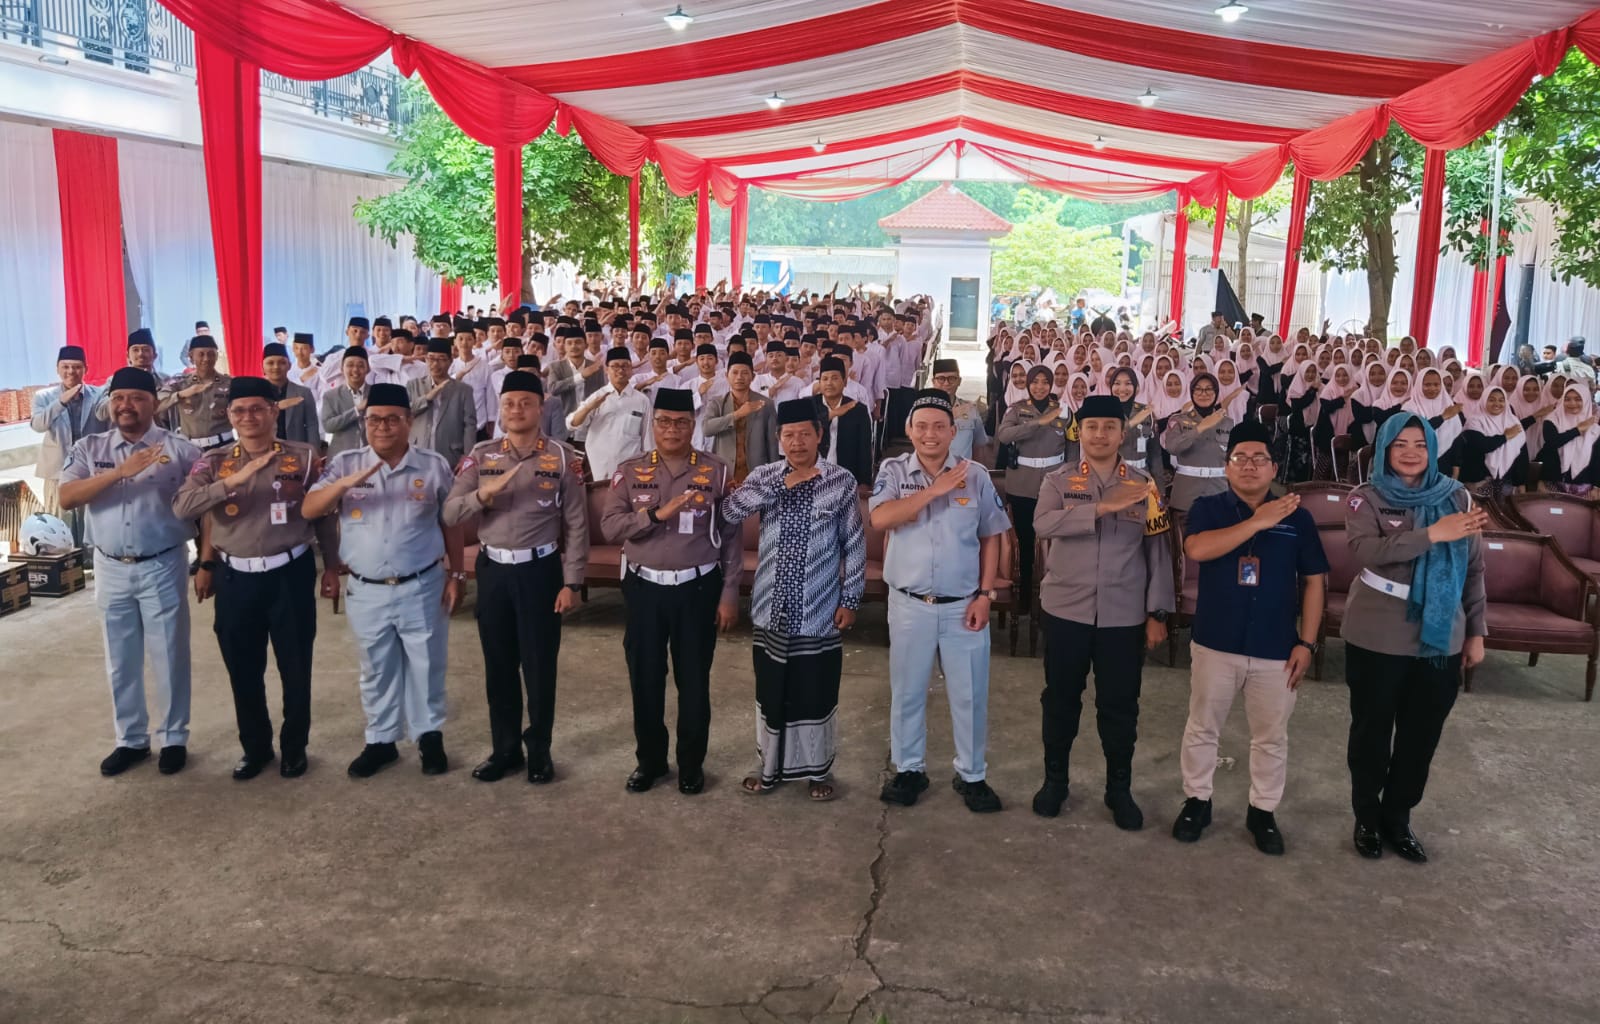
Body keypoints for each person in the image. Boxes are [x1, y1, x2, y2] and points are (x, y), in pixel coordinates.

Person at [1172, 422, 1328, 854]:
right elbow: (1198, 550)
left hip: (1277, 648)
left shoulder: (1298, 516)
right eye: (1240, 458)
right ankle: (1197, 800)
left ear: (1273, 467)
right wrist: (1258, 522)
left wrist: (1307, 643)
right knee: (1203, 727)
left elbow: (1314, 582)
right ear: (1226, 466)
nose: (1249, 466)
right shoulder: (1209, 507)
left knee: (1271, 735)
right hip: (1215, 642)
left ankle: (1263, 810)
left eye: (1260, 458)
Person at [172, 377, 337, 780]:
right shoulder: (213, 462)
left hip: (291, 574)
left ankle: (295, 748)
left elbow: (324, 515)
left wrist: (332, 566)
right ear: (229, 416)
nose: (248, 417)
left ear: (274, 412)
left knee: (295, 667)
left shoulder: (304, 456)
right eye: (239, 410)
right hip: (235, 579)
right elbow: (183, 507)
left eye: (257, 408)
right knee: (243, 669)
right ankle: (256, 748)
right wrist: (232, 482)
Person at [1342, 414, 1488, 862]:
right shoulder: (1365, 498)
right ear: (1384, 449)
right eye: (1400, 444)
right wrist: (1430, 535)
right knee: (1371, 732)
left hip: (1441, 635)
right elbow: (1365, 552)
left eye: (1419, 444)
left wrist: (1477, 631)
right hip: (1377, 631)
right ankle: (1367, 817)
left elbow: (1474, 568)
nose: (1410, 452)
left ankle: (1398, 818)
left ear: (1431, 449)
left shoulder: (1457, 497)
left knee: (1421, 735)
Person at [303, 383, 464, 778]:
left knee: (427, 664)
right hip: (367, 588)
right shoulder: (344, 463)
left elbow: (452, 522)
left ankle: (429, 737)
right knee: (376, 667)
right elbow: (309, 508)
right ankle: (381, 740)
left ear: (410, 422)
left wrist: (456, 573)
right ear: (364, 422)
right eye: (375, 419)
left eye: (393, 419)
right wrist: (343, 485)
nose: (384, 427)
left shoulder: (433, 465)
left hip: (422, 583)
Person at [1029, 395, 1173, 828]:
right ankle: (1055, 781)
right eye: (1091, 427)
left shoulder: (1145, 484)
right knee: (1060, 700)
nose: (1100, 434)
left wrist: (1158, 613)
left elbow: (1158, 551)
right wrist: (1102, 508)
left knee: (1119, 705)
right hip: (1066, 611)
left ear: (1122, 433)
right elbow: (1042, 524)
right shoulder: (1058, 480)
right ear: (1079, 432)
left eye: (1110, 427)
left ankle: (1119, 789)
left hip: (1123, 615)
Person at [443, 371, 587, 784]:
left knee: (540, 666)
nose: (516, 410)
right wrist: (481, 496)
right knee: (499, 664)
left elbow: (577, 525)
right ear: (500, 409)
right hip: (494, 573)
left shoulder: (562, 457)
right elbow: (450, 513)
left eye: (525, 402)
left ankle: (539, 750)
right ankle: (504, 749)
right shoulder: (482, 455)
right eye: (509, 403)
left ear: (541, 407)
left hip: (541, 572)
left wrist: (572, 581)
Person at [870, 389, 1011, 813]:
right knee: (908, 691)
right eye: (921, 426)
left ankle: (972, 774)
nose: (930, 434)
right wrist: (934, 491)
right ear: (909, 431)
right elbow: (880, 518)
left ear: (954, 431)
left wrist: (986, 595)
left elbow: (990, 538)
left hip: (962, 604)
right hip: (910, 603)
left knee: (969, 694)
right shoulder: (894, 470)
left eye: (939, 426)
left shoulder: (977, 475)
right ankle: (909, 768)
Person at [57, 368, 201, 776]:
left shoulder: (181, 451)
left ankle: (173, 737)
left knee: (169, 653)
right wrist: (120, 472)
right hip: (110, 566)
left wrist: (207, 561)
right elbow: (67, 497)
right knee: (120, 657)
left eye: (136, 398)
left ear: (153, 403)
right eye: (118, 397)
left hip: (162, 561)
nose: (125, 405)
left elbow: (205, 508)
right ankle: (131, 739)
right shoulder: (90, 448)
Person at [723, 399, 867, 800]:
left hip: (819, 609)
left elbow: (853, 545)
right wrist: (777, 486)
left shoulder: (841, 481)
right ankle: (768, 768)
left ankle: (818, 772)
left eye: (806, 433)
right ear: (778, 438)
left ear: (821, 435)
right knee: (771, 690)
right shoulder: (765, 476)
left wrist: (851, 600)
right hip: (771, 608)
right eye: (789, 435)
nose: (797, 442)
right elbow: (730, 512)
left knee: (815, 690)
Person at [600, 388, 742, 795]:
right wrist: (655, 515)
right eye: (663, 420)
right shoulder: (629, 471)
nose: (672, 429)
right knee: (645, 679)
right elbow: (611, 527)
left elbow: (730, 536)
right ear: (653, 423)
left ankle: (691, 765)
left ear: (693, 425)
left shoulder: (716, 470)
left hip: (698, 588)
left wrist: (729, 592)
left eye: (681, 422)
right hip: (644, 589)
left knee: (694, 681)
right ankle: (650, 762)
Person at [995, 365, 1069, 605]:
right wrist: (1038, 423)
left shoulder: (1064, 412)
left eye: (1045, 382)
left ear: (1051, 385)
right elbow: (1004, 436)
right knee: (1025, 541)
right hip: (1022, 485)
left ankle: (1051, 594)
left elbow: (1074, 449)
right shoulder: (1017, 410)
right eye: (1035, 382)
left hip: (1054, 485)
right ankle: (1025, 592)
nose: (1040, 387)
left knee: (1054, 542)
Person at [29, 344, 103, 550]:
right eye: (66, 367)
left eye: (77, 367)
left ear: (86, 369)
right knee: (60, 520)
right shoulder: (44, 397)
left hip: (88, 468)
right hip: (57, 469)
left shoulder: (97, 395)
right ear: (57, 369)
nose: (71, 371)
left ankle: (90, 560)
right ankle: (66, 563)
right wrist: (61, 402)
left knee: (90, 518)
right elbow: (37, 425)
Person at [568, 346, 653, 481]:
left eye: (625, 366)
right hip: (600, 468)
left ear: (631, 370)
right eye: (615, 366)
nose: (620, 370)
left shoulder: (642, 400)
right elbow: (572, 423)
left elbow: (647, 439)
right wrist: (590, 407)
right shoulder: (597, 397)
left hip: (631, 469)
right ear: (606, 369)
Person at [1162, 372, 1236, 512]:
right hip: (1186, 496)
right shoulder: (1177, 420)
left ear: (1216, 392)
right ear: (1191, 392)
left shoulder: (1228, 423)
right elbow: (1172, 447)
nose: (1204, 393)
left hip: (1218, 492)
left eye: (1209, 389)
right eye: (1198, 389)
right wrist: (1201, 427)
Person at [703, 351, 776, 484]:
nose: (739, 377)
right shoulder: (717, 403)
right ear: (727, 376)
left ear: (753, 377)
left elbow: (772, 443)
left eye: (745, 373)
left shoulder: (766, 404)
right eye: (735, 372)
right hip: (726, 473)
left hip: (757, 473)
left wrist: (774, 475)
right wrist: (737, 414)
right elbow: (707, 429)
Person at [407, 338, 479, 471]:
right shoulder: (413, 385)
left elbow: (470, 425)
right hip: (418, 451)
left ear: (450, 361)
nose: (435, 364)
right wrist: (428, 397)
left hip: (450, 454)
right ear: (426, 360)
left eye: (441, 359)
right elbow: (407, 413)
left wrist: (467, 456)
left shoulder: (463, 390)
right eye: (431, 358)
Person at [158, 336, 234, 448]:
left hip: (225, 445)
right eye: (201, 354)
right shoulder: (180, 383)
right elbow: (156, 405)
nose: (206, 358)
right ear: (191, 357)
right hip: (190, 447)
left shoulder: (230, 383)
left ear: (217, 356)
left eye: (211, 354)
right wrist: (181, 394)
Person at [813, 355, 873, 486]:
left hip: (846, 476)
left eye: (835, 378)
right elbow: (808, 428)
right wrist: (833, 414)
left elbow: (864, 448)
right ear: (819, 383)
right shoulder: (809, 406)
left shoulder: (857, 409)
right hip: (814, 476)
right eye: (825, 379)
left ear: (845, 382)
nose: (829, 383)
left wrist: (864, 482)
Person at [261, 342, 320, 448]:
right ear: (262, 366)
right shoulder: (256, 395)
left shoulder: (303, 392)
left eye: (282, 362)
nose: (276, 367)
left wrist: (314, 451)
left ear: (289, 365)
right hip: (264, 450)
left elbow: (312, 425)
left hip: (296, 450)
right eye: (270, 363)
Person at [931, 359, 989, 461]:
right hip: (933, 474)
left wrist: (978, 473)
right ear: (933, 381)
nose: (946, 383)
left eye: (952, 378)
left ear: (959, 381)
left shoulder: (970, 410)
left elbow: (978, 447)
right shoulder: (922, 410)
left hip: (963, 473)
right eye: (941, 379)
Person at [321, 346, 371, 457]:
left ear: (368, 369)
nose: (355, 370)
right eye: (350, 365)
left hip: (371, 456)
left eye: (360, 365)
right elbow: (328, 426)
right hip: (340, 456)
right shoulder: (331, 396)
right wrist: (356, 410)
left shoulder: (376, 393)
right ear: (341, 368)